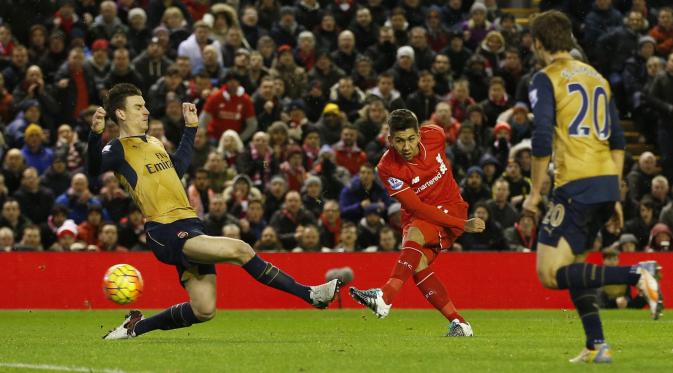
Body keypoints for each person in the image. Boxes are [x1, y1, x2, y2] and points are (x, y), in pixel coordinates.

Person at [91, 84, 340, 341]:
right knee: (241, 250)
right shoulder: (118, 149)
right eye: (138, 107)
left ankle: (135, 327)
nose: (146, 111)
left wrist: (190, 129)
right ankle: (310, 294)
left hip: (190, 225)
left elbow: (176, 170)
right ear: (121, 114)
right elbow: (94, 166)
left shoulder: (153, 142)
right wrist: (94, 135)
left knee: (204, 310)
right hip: (164, 230)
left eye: (144, 106)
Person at [522, 11, 662, 364]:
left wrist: (535, 193)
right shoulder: (597, 78)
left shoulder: (545, 77)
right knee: (577, 263)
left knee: (550, 273)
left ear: (538, 43)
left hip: (576, 183)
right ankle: (597, 345)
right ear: (569, 39)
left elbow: (541, 137)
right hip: (604, 183)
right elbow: (617, 141)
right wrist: (615, 193)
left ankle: (636, 274)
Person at [349, 109, 485, 336]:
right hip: (422, 216)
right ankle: (460, 323)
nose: (406, 147)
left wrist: (460, 223)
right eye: (399, 141)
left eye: (411, 139)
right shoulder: (387, 168)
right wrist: (463, 225)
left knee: (415, 237)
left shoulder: (436, 135)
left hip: (450, 209)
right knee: (417, 264)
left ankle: (385, 296)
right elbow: (417, 208)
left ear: (420, 135)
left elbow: (420, 214)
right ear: (389, 140)